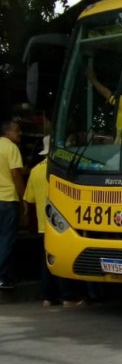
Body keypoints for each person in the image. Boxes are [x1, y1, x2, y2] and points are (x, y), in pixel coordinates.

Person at [23, 135, 83, 307]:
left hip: (44, 224)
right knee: (63, 258)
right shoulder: (62, 169)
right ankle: (68, 296)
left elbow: (30, 198)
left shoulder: (35, 171)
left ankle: (48, 297)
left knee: (47, 261)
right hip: (62, 223)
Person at [0, 120, 25, 289]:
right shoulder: (11, 148)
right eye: (17, 130)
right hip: (8, 199)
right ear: (8, 132)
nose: (20, 133)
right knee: (7, 239)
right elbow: (15, 173)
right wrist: (23, 197)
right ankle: (3, 277)